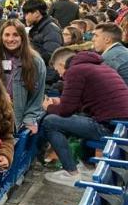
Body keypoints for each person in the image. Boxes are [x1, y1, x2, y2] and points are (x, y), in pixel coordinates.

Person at [41, 48, 128, 187]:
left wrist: (48, 107)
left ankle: (71, 172)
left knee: (50, 121)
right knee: (75, 120)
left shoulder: (75, 71)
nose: (61, 76)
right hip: (121, 126)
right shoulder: (99, 66)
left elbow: (65, 111)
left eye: (58, 71)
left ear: (62, 64)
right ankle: (84, 166)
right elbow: (87, 101)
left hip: (111, 127)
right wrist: (60, 102)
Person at [0, 19, 46, 132]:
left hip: (17, 121)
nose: (10, 39)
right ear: (1, 37)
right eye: (7, 35)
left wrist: (29, 119)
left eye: (15, 35)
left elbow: (37, 97)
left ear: (23, 37)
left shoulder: (36, 62)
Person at [23, 0, 63, 87]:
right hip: (43, 74)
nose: (25, 17)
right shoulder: (41, 27)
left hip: (48, 78)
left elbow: (51, 56)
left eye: (26, 14)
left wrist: (28, 45)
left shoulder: (51, 29)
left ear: (37, 13)